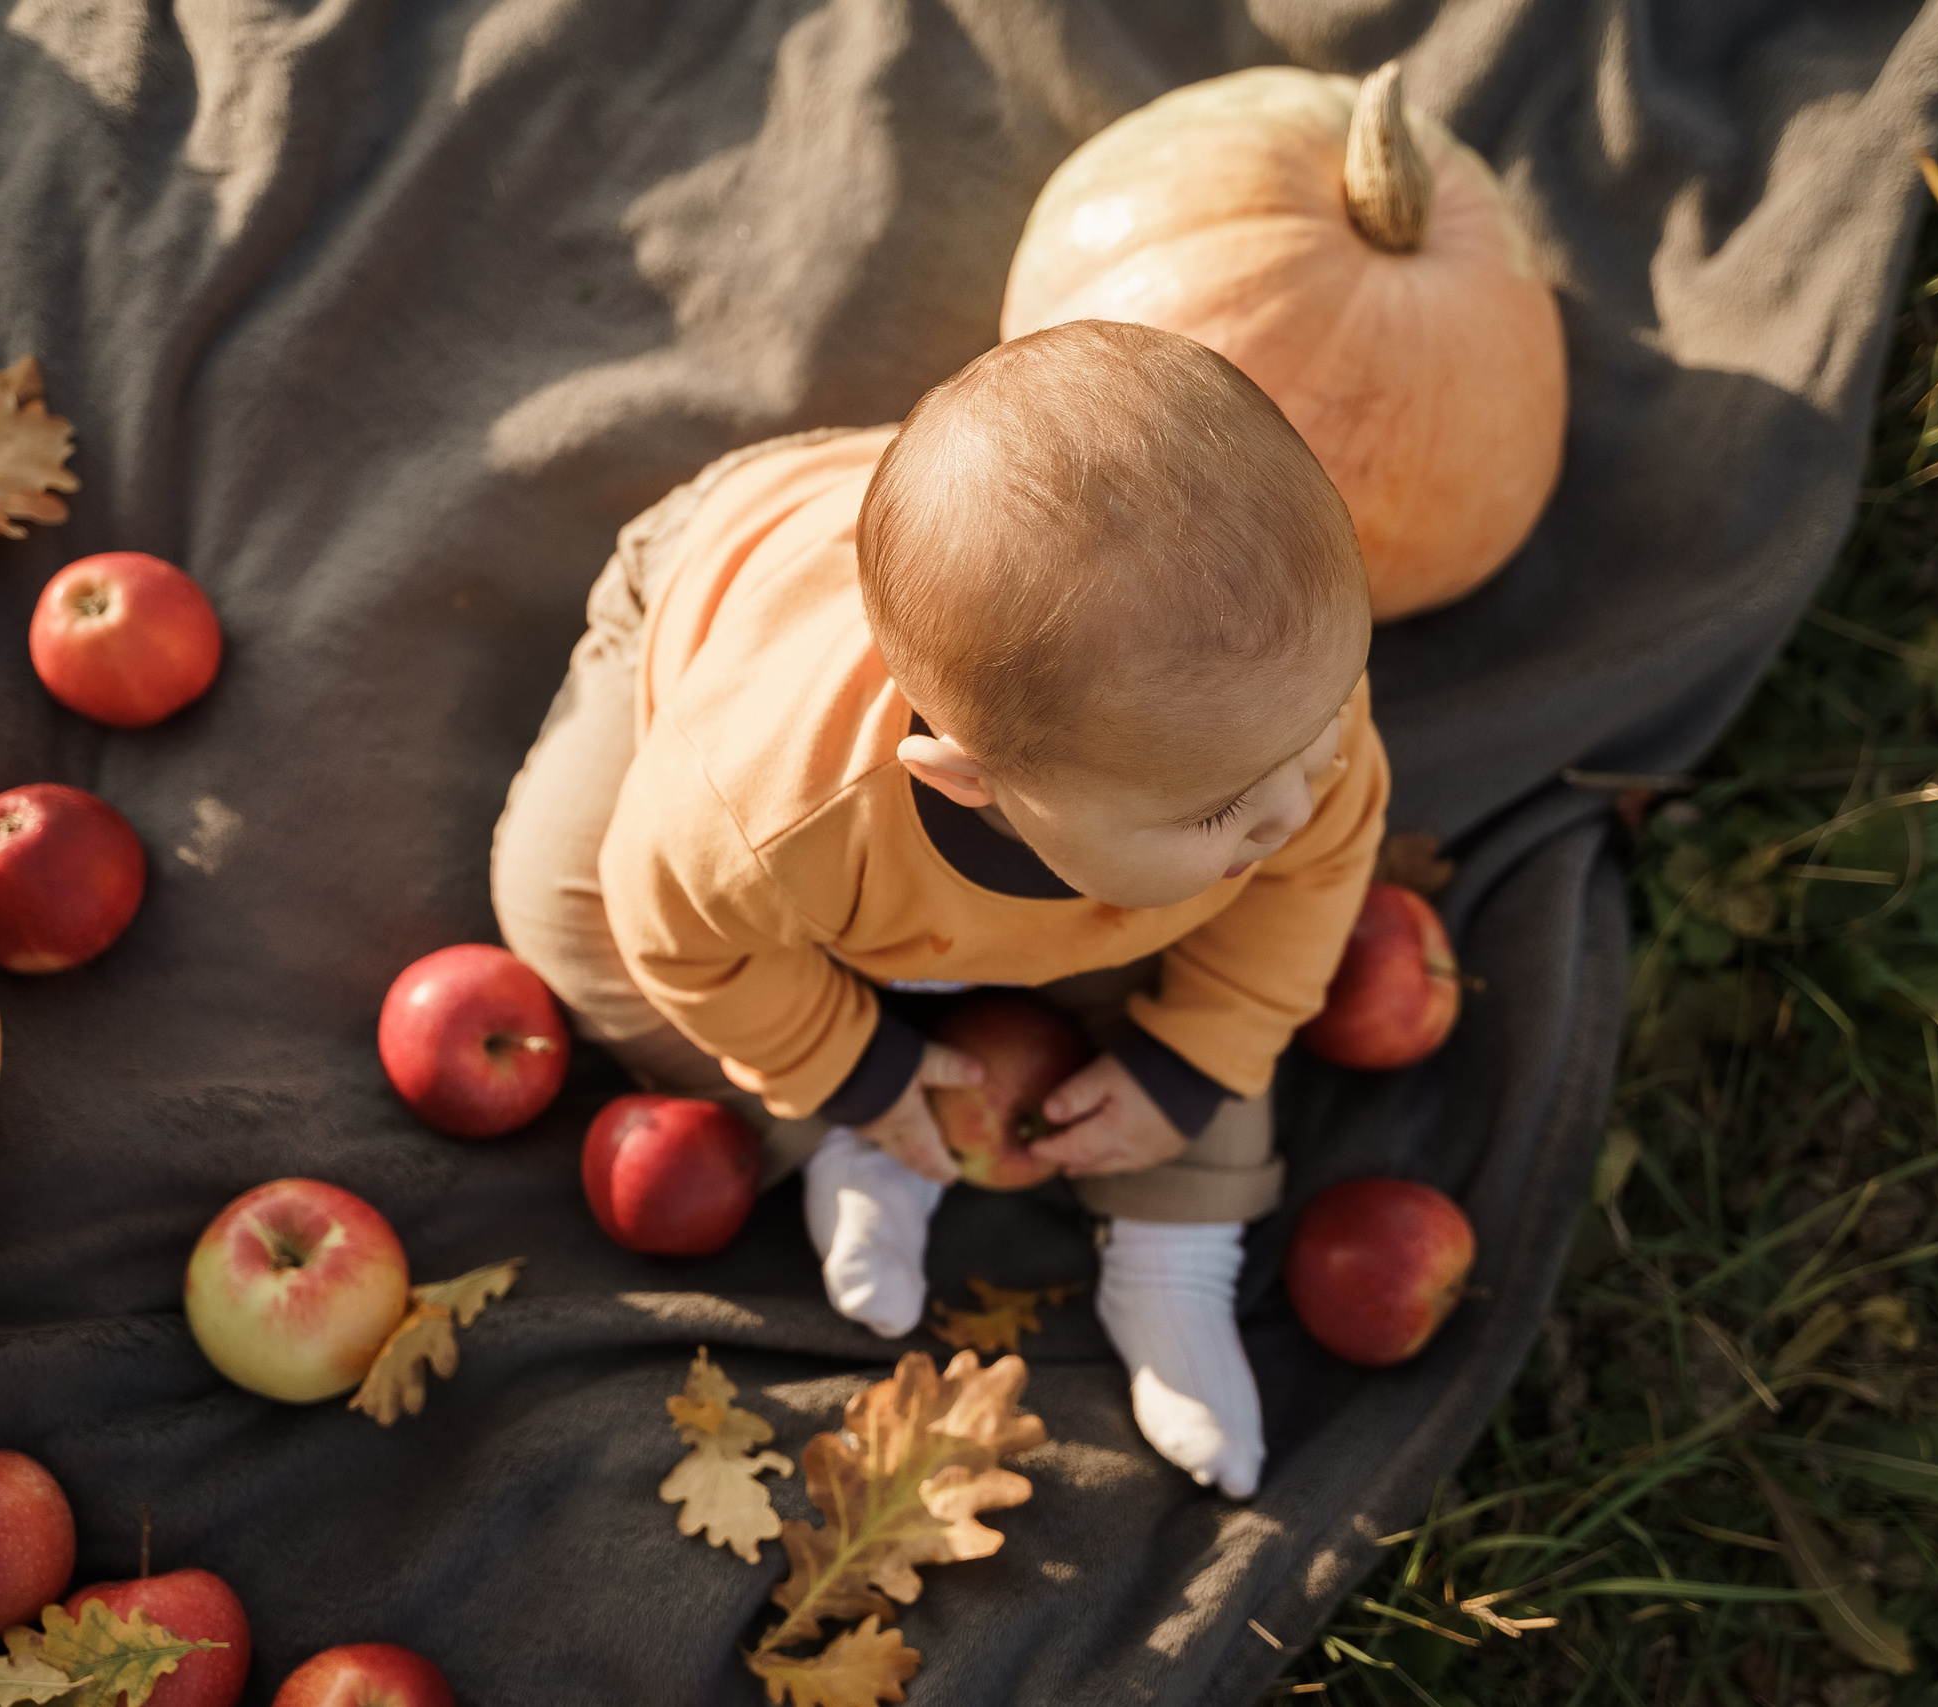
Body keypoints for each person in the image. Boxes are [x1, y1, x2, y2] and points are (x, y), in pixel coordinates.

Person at [492, 319, 1387, 1498]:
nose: (1292, 806)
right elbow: (674, 928)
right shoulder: (772, 807)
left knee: (1234, 996)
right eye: (1226, 808)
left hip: (1057, 679)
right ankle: (852, 1135)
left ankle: (1176, 1252)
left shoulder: (1260, 714)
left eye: (1321, 723)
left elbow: (1314, 870)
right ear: (972, 785)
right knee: (559, 908)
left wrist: (1193, 1062)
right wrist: (846, 1068)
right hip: (712, 582)